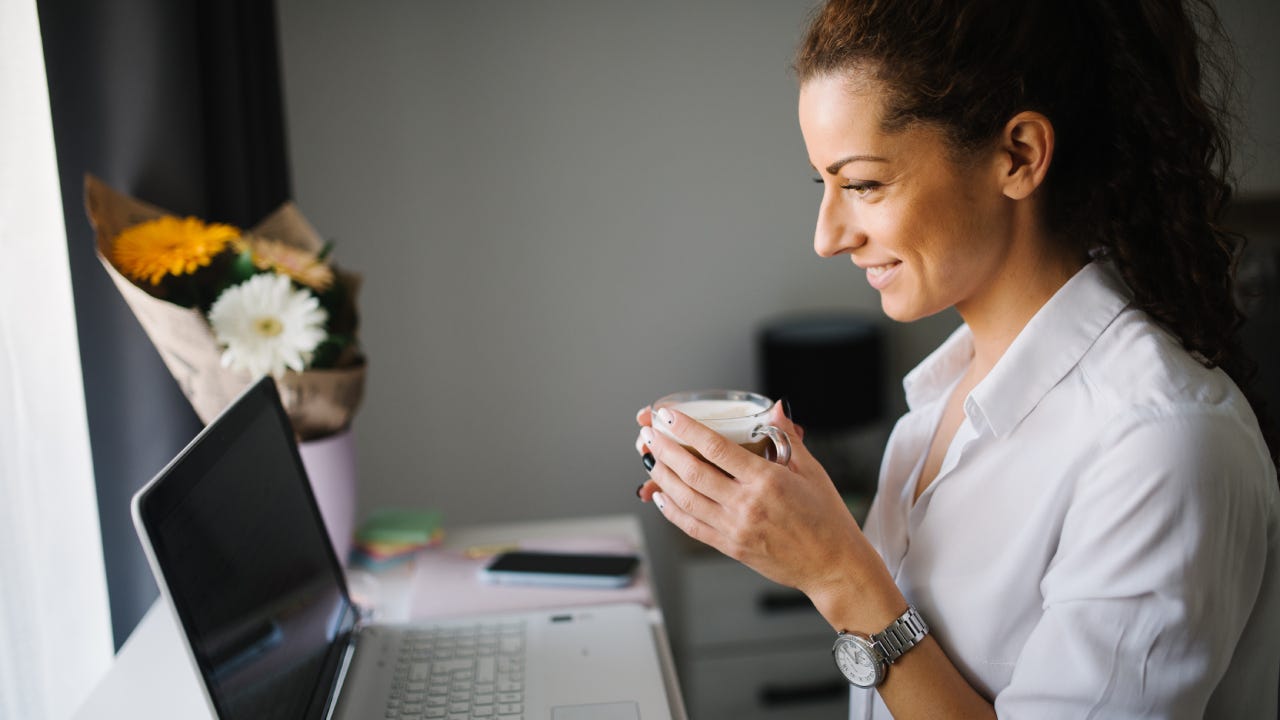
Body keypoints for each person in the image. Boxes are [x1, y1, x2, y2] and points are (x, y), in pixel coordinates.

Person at [634, 0, 1280, 717]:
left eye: (865, 184)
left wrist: (838, 573)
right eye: (826, 185)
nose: (828, 236)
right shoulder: (934, 412)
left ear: (1019, 156)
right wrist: (790, 540)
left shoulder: (1161, 444)